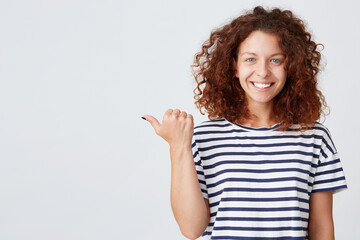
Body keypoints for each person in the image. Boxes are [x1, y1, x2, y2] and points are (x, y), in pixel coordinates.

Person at [143, 6, 347, 240]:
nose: (262, 71)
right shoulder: (203, 138)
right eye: (251, 59)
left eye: (275, 60)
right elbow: (191, 229)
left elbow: (322, 230)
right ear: (234, 67)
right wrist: (178, 147)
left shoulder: (315, 138)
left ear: (291, 66)